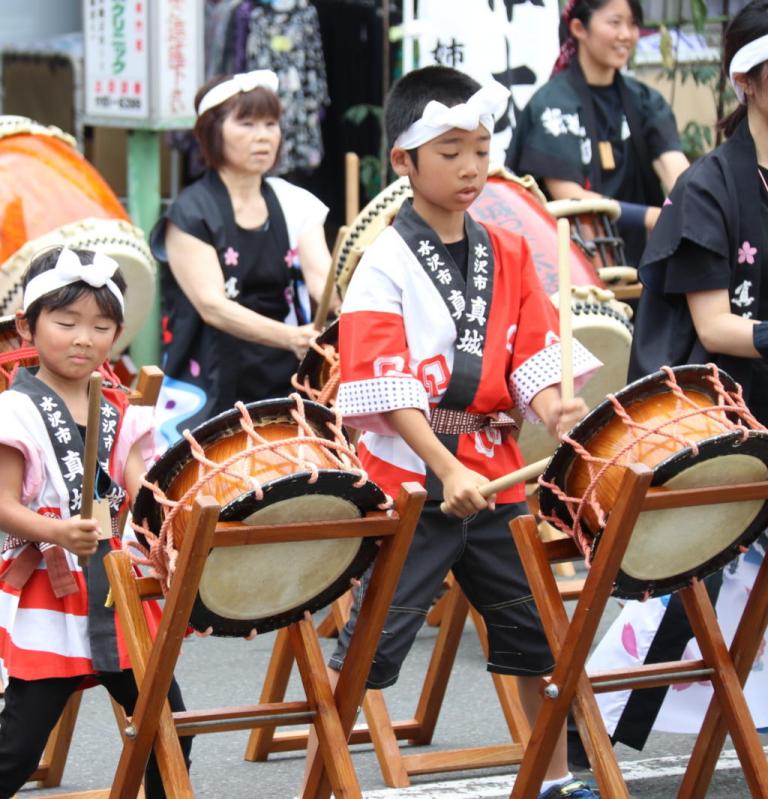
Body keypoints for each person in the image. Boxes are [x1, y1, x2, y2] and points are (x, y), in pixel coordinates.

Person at [330, 66, 602, 799]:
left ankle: (552, 776)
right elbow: (384, 385)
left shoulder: (509, 250)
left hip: (495, 469)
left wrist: (551, 406)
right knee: (373, 645)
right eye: (449, 150)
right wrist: (444, 468)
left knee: (534, 636)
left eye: (480, 148)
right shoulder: (382, 262)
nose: (471, 167)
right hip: (412, 477)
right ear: (405, 162)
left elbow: (533, 358)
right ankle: (328, 780)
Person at [581, 0, 768, 760]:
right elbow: (718, 329)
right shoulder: (708, 188)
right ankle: (586, 723)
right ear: (750, 81)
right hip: (711, 422)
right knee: (681, 594)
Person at [0, 246, 191, 798]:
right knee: (17, 749)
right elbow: (3, 506)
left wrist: (178, 527)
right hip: (51, 590)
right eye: (66, 323)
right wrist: (59, 531)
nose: (84, 337)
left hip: (118, 591)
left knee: (170, 730)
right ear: (27, 326)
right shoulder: (15, 410)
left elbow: (145, 492)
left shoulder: (117, 409)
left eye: (102, 326)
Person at [152, 69, 330, 446]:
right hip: (210, 375)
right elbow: (212, 306)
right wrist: (290, 337)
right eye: (246, 124)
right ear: (213, 131)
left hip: (286, 375)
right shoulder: (190, 212)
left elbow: (323, 280)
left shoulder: (292, 200)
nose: (263, 136)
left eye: (270, 123)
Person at [506, 0, 689, 267]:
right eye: (615, 23)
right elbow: (568, 194)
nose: (626, 34)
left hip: (644, 262)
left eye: (632, 24)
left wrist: (695, 203)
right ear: (579, 28)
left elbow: (676, 172)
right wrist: (650, 216)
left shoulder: (646, 100)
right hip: (575, 268)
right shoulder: (553, 104)